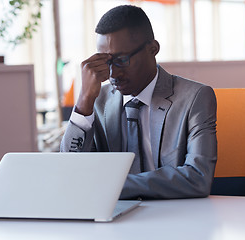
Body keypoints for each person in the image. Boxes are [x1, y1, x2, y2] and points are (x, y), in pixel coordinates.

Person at [60, 5, 217, 200]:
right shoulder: (97, 101)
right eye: (105, 62)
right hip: (113, 217)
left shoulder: (195, 97)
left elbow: (198, 178)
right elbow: (70, 172)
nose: (112, 73)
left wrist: (115, 186)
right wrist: (84, 102)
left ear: (153, 49)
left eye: (122, 60)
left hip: (176, 217)